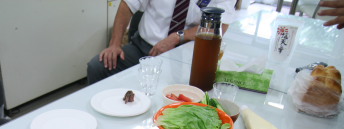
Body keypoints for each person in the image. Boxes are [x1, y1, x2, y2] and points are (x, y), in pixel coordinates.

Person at [87, 0, 236, 84]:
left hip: (184, 55)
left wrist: (178, 36)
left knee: (171, 91)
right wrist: (115, 44)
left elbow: (220, 25)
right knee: (98, 66)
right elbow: (128, 4)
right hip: (143, 48)